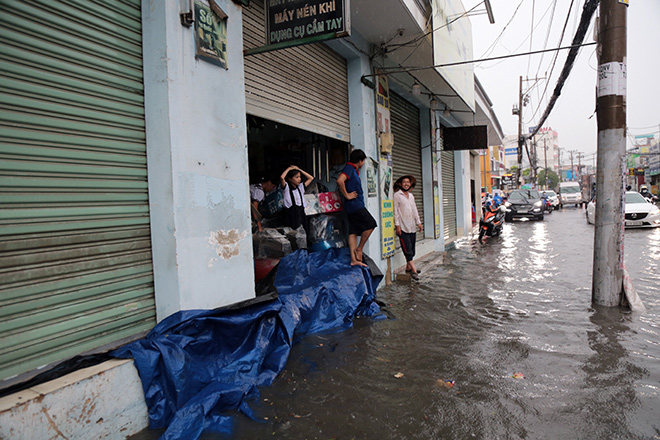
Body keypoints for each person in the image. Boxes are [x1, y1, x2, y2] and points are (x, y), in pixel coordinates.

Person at [337, 149, 377, 267]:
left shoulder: (353, 170)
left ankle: (353, 260)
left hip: (352, 207)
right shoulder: (349, 168)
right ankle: (359, 249)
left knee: (353, 231)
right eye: (363, 161)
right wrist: (347, 195)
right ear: (359, 161)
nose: (363, 163)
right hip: (355, 206)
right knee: (371, 224)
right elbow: (340, 181)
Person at [393, 175, 423, 280]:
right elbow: (395, 211)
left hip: (412, 227)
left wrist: (418, 222)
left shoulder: (411, 196)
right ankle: (414, 271)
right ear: (400, 184)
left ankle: (408, 268)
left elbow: (414, 210)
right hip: (403, 227)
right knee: (407, 249)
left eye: (408, 182)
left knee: (412, 250)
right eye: (404, 182)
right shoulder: (397, 195)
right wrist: (397, 226)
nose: (406, 184)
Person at [280, 165, 314, 231]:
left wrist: (299, 169)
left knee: (304, 231)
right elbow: (282, 177)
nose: (299, 179)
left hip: (301, 213)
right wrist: (289, 168)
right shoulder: (286, 188)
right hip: (291, 214)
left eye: (300, 177)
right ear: (290, 179)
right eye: (296, 177)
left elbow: (311, 178)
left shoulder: (300, 187)